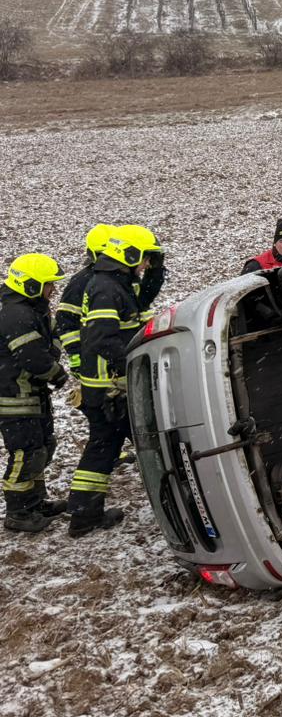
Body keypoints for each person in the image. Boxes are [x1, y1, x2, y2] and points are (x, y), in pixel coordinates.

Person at [69, 225, 157, 537]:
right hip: (112, 389)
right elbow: (102, 338)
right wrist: (133, 363)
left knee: (103, 448)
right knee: (148, 443)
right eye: (143, 258)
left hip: (105, 389)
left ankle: (84, 513)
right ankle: (174, 502)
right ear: (129, 254)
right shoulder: (108, 288)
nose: (145, 264)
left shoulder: (111, 282)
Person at [2, 253, 68, 533]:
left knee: (42, 448)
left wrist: (50, 358)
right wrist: (56, 373)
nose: (52, 290)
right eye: (48, 284)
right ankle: (18, 511)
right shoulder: (16, 315)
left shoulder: (34, 310)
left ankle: (35, 502)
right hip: (13, 397)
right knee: (25, 452)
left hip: (32, 393)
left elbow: (52, 342)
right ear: (30, 285)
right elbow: (33, 357)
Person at [55, 223, 115, 377]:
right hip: (95, 362)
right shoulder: (81, 281)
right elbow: (66, 320)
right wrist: (76, 358)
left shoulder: (130, 280)